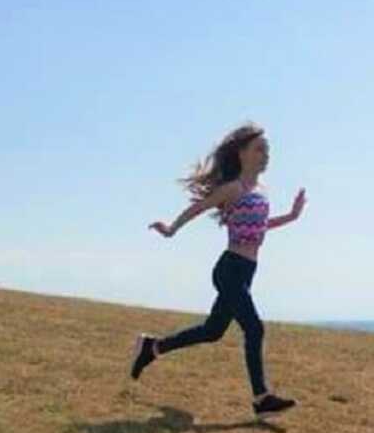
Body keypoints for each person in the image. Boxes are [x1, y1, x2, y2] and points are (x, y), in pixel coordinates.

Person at [130, 121, 306, 417]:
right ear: (242, 154)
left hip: (246, 271)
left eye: (268, 150)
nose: (266, 155)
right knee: (254, 328)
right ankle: (262, 398)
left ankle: (152, 347)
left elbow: (260, 226)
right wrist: (171, 228)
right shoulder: (233, 189)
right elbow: (198, 207)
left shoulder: (260, 191)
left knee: (212, 331)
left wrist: (290, 216)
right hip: (230, 269)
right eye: (259, 149)